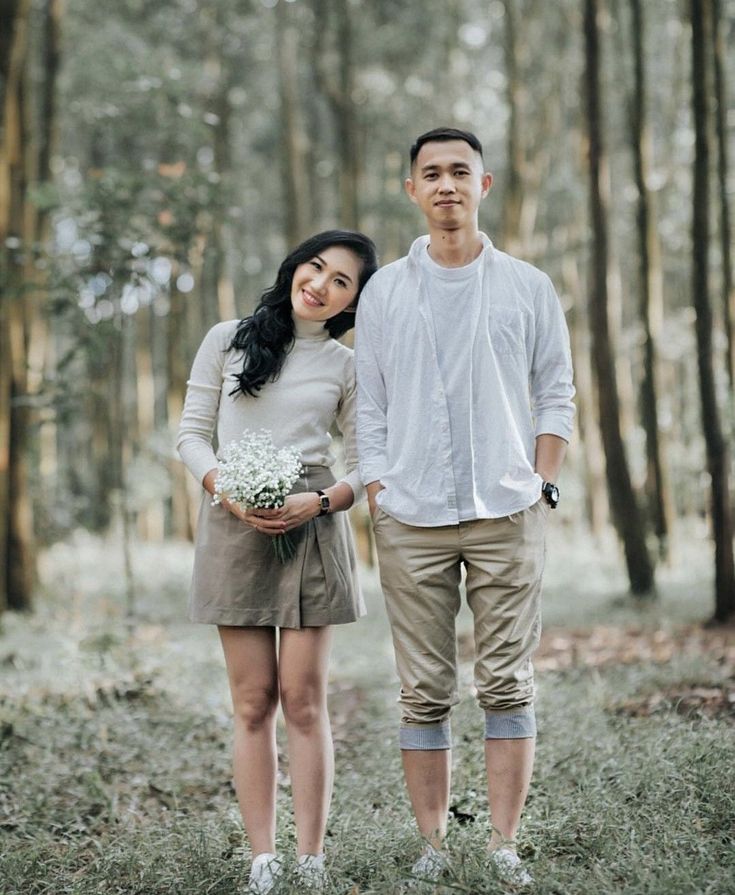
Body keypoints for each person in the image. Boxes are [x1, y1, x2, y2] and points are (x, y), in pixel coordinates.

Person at [355, 127, 575, 886]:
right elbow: (371, 405)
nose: (445, 184)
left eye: (459, 171)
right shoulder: (384, 291)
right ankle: (433, 847)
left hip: (506, 508)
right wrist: (379, 485)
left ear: (483, 186)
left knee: (507, 681)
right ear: (411, 189)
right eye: (430, 173)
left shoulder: (527, 285)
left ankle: (502, 845)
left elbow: (555, 391)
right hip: (408, 512)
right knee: (423, 687)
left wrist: (543, 479)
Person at [177, 230, 377, 894]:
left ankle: (310, 856)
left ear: (351, 301)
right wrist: (225, 492)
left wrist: (320, 502)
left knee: (303, 700)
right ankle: (263, 858)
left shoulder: (346, 365)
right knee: (251, 701)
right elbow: (191, 431)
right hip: (231, 517)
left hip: (311, 526)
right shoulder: (227, 338)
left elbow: (368, 459)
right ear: (294, 266)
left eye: (340, 280)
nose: (319, 283)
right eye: (314, 267)